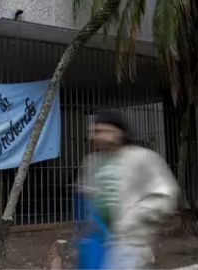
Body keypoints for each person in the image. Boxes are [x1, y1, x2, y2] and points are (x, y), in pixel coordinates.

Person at [77, 111, 179, 269]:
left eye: (106, 131)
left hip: (130, 243)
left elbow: (165, 196)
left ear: (120, 133)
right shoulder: (91, 162)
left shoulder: (142, 158)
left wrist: (133, 220)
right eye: (96, 132)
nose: (99, 136)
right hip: (99, 243)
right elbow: (88, 199)